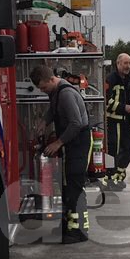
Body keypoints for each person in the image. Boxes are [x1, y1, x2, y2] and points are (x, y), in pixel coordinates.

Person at [31, 64, 92, 243]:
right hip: (70, 144)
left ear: (51, 79)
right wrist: (44, 122)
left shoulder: (66, 94)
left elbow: (76, 123)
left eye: (43, 87)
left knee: (74, 185)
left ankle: (79, 231)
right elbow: (53, 108)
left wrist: (58, 143)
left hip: (78, 143)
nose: (43, 91)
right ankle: (67, 226)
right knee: (66, 186)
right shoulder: (55, 91)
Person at [103, 52, 130, 190]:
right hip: (113, 122)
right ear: (118, 64)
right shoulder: (110, 79)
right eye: (125, 63)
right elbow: (106, 100)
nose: (128, 66)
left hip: (127, 122)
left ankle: (119, 175)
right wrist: (124, 107)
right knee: (112, 151)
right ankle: (109, 180)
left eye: (129, 63)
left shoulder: (129, 80)